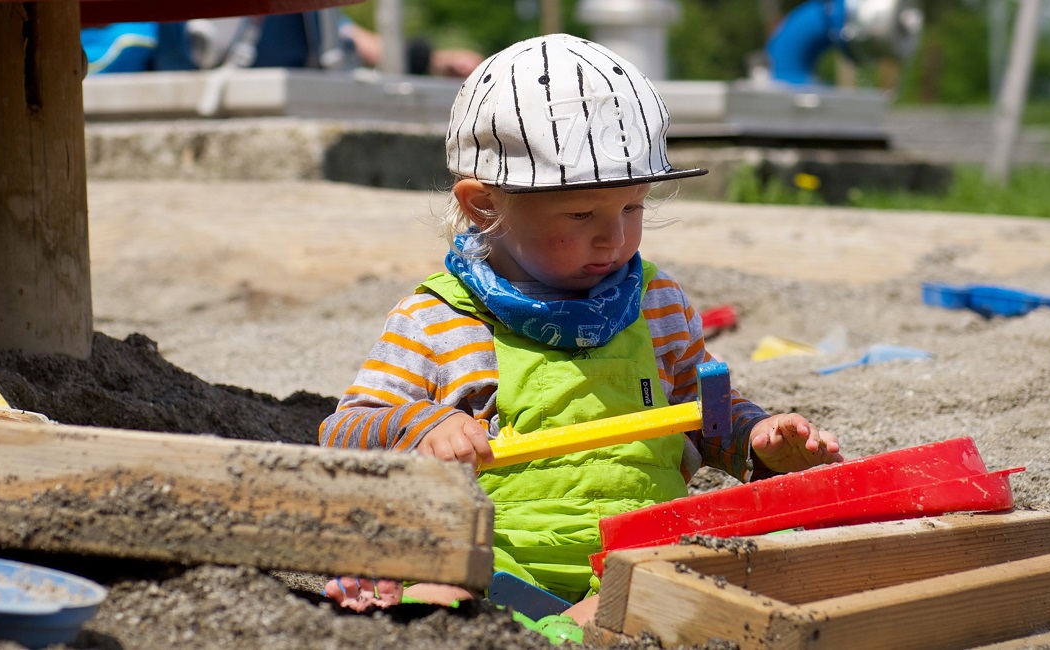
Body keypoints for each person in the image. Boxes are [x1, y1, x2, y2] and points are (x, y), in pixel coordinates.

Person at [316, 34, 847, 628]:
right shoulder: (438, 318)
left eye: (633, 208)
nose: (614, 239)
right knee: (430, 586)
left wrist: (758, 439)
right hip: (492, 550)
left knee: (678, 582)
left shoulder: (656, 301)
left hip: (638, 545)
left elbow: (706, 414)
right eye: (581, 214)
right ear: (483, 205)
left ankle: (578, 629)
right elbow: (345, 431)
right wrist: (425, 423)